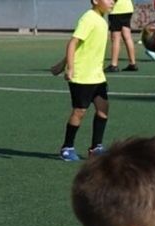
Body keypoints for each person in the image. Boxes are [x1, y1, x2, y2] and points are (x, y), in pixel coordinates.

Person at [58, 0, 113, 162]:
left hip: (97, 76)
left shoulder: (102, 20)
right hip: (82, 75)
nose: (112, 1)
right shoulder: (88, 18)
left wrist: (60, 65)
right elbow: (73, 42)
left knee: (103, 109)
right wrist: (70, 67)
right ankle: (67, 147)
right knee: (79, 111)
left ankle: (96, 148)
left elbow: (80, 47)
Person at [106, 0, 138, 72]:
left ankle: (114, 65)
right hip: (127, 8)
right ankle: (132, 63)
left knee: (115, 38)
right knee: (127, 36)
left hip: (117, 10)